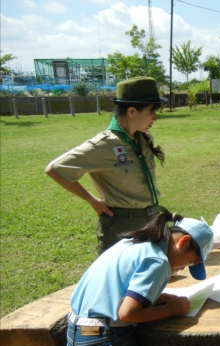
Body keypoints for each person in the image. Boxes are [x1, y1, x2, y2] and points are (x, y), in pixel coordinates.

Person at [67, 213, 214, 346]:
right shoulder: (158, 260)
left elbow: (118, 289)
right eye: (191, 261)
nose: (183, 269)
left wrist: (154, 298)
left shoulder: (133, 242)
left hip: (76, 337)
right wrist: (171, 310)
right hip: (106, 342)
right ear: (183, 241)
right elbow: (127, 313)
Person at [46, 76, 169, 254]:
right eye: (151, 111)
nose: (155, 118)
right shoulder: (103, 145)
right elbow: (55, 169)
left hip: (150, 220)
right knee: (115, 277)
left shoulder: (142, 138)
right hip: (121, 225)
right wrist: (93, 201)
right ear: (132, 111)